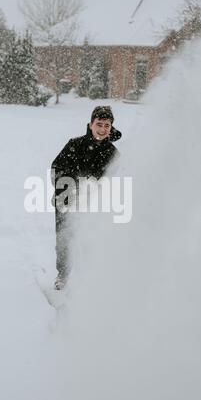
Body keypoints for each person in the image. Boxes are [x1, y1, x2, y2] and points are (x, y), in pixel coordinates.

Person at [51, 106, 122, 290]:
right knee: (65, 239)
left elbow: (118, 179)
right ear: (91, 124)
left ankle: (90, 278)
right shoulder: (74, 145)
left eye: (107, 125)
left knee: (93, 240)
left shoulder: (113, 154)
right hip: (68, 201)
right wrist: (73, 187)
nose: (102, 129)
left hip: (95, 205)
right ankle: (63, 274)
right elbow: (57, 169)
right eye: (99, 124)